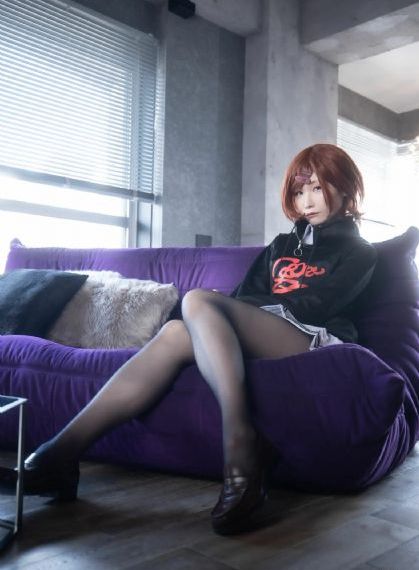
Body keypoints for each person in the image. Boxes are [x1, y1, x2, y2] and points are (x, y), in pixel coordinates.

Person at [12, 143, 377, 536]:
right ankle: (62, 454)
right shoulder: (281, 245)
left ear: (344, 187)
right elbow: (244, 294)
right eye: (299, 191)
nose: (307, 201)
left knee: (198, 300)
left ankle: (241, 444)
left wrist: (236, 312)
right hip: (264, 329)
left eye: (317, 188)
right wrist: (230, 314)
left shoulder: (359, 251)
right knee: (175, 331)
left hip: (313, 341)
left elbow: (317, 306)